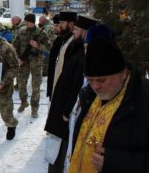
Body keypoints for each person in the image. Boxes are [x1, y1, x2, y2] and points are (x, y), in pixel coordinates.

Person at [68, 37, 149, 172]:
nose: (95, 87)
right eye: (90, 80)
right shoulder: (90, 95)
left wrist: (114, 162)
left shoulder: (144, 100)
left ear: (123, 74)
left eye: (101, 80)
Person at [44, 15, 97, 173]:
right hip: (60, 106)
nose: (74, 31)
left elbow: (77, 87)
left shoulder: (84, 54)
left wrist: (67, 111)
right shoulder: (75, 47)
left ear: (85, 32)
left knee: (63, 150)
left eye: (77, 29)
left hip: (65, 112)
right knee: (56, 150)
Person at [13, 13, 51, 117]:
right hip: (23, 63)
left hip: (36, 63)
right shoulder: (21, 32)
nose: (26, 23)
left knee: (36, 87)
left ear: (32, 22)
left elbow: (48, 47)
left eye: (28, 21)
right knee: (21, 84)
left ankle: (34, 108)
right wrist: (18, 58)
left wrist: (38, 45)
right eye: (25, 21)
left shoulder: (41, 33)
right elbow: (15, 46)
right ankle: (23, 102)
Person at [46, 14, 63, 99]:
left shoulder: (64, 40)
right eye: (54, 25)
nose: (55, 28)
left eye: (57, 25)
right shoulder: (58, 39)